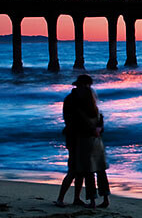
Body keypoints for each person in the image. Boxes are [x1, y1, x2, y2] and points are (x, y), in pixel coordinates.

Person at [58, 75, 111, 209]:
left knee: (84, 170)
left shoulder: (84, 100)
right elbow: (72, 122)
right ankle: (64, 198)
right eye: (86, 85)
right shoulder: (75, 100)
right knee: (77, 170)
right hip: (80, 140)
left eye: (88, 85)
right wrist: (96, 129)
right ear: (79, 85)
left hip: (85, 140)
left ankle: (80, 198)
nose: (88, 87)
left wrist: (96, 129)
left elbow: (93, 121)